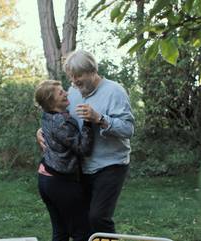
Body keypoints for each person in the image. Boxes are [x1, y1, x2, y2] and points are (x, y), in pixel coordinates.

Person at [37, 50, 135, 235]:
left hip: (110, 165)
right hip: (81, 168)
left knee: (98, 218)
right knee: (82, 221)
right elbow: (57, 118)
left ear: (92, 71)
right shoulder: (73, 92)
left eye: (78, 76)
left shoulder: (115, 92)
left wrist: (100, 118)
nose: (73, 81)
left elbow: (128, 130)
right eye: (71, 77)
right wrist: (41, 131)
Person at [35, 80, 94, 241]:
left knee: (60, 231)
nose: (66, 93)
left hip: (45, 178)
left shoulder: (48, 116)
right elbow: (84, 149)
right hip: (60, 182)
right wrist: (89, 121)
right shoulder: (61, 122)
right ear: (51, 101)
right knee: (81, 232)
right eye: (61, 93)